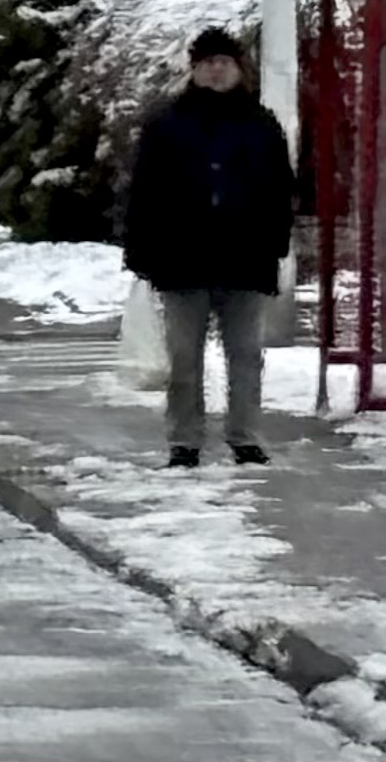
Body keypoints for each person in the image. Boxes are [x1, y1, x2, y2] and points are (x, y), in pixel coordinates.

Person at [122, 25, 295, 469]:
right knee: (184, 358)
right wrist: (140, 251)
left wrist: (275, 244)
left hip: (246, 259)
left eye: (224, 63)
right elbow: (143, 192)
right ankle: (184, 440)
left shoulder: (261, 125)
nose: (216, 71)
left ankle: (245, 436)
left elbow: (280, 190)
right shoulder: (167, 125)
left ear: (239, 69)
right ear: (194, 70)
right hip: (181, 259)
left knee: (245, 356)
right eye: (207, 64)